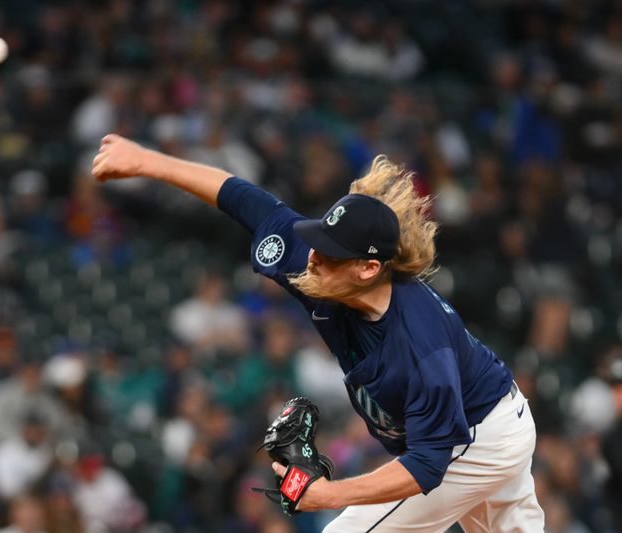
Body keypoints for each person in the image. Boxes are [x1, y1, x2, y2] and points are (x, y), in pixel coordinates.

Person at [91, 134, 545, 532]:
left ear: (369, 268)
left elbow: (428, 465)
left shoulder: (420, 343)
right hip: (489, 418)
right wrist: (147, 161)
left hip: (477, 435)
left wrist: (325, 495)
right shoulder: (320, 269)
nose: (313, 257)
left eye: (330, 254)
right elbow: (241, 198)